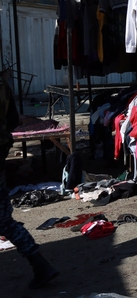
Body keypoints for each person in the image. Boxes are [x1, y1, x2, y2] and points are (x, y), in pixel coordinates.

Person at [0, 72, 59, 289]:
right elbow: (13, 120)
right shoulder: (2, 86)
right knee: (5, 220)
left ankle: (41, 267)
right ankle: (40, 265)